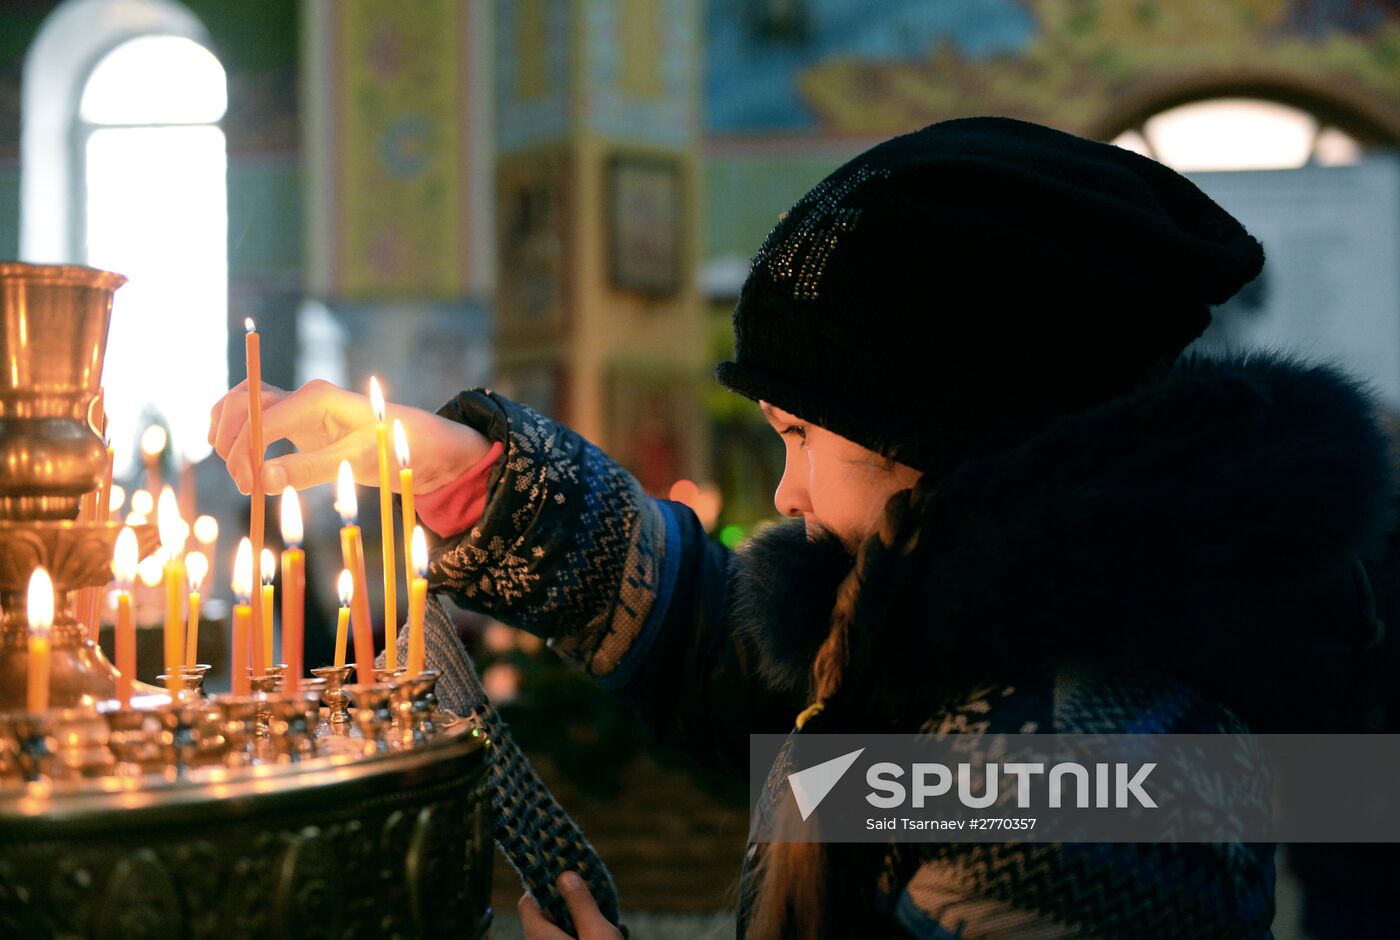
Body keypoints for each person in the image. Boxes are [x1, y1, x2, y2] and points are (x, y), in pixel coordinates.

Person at [209, 117, 1397, 938]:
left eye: (797, 435)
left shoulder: (1093, 777)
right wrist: (456, 464)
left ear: (942, 436)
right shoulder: (967, 640)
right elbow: (727, 657)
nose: (781, 495)